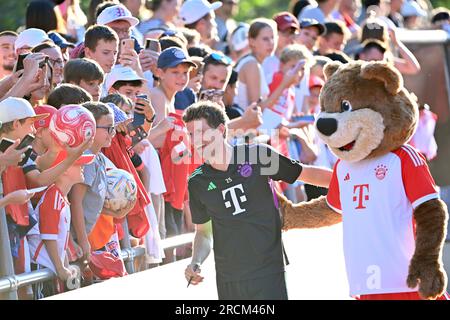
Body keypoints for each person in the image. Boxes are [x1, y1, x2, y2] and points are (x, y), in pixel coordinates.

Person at [183, 101, 332, 299]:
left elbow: (307, 174)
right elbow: (203, 232)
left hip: (268, 269)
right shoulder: (197, 181)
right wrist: (196, 262)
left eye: (202, 131)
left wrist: (350, 179)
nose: (196, 140)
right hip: (229, 277)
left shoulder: (257, 155)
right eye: (191, 134)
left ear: (220, 130)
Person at [69, 101, 134, 262]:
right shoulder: (87, 159)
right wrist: (83, 241)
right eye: (108, 128)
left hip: (82, 235)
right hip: (73, 238)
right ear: (89, 128)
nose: (113, 133)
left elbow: (90, 201)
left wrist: (114, 212)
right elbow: (75, 202)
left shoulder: (98, 158)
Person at [28, 150, 94, 292]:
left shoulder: (62, 197)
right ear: (63, 170)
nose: (83, 167)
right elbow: (48, 238)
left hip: (49, 265)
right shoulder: (53, 197)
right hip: (41, 265)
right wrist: (60, 267)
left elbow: (58, 241)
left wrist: (64, 266)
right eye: (78, 164)